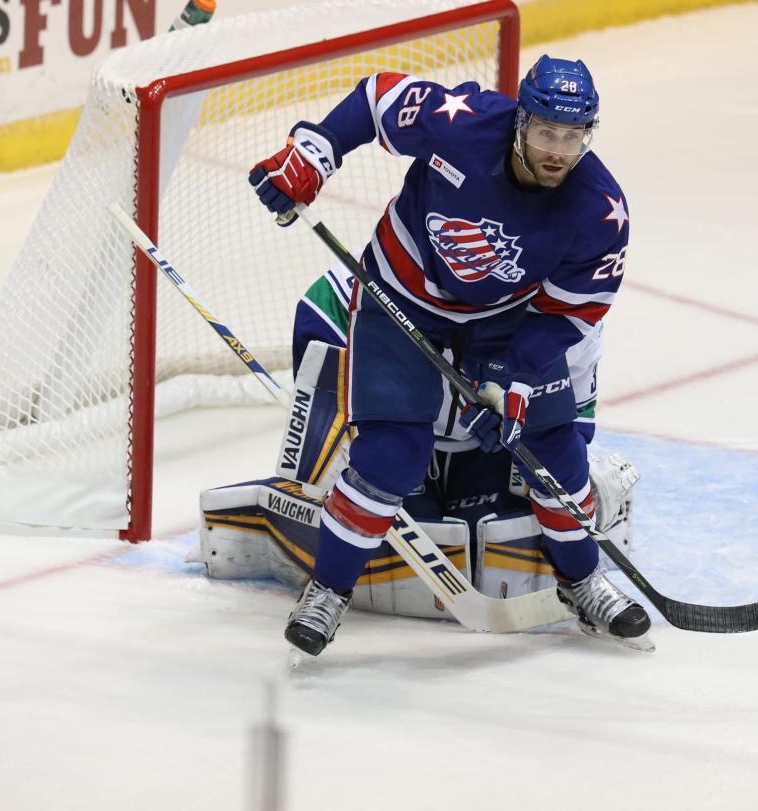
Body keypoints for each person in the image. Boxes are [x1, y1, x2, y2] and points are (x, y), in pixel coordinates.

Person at [249, 55, 648, 656]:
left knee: (554, 452)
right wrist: (313, 155)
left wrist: (508, 379)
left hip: (502, 324)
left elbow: (571, 312)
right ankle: (327, 591)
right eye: (546, 132)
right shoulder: (462, 125)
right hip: (399, 299)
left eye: (573, 137)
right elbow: (377, 99)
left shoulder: (598, 210)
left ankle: (582, 580)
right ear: (521, 122)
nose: (559, 150)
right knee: (390, 459)